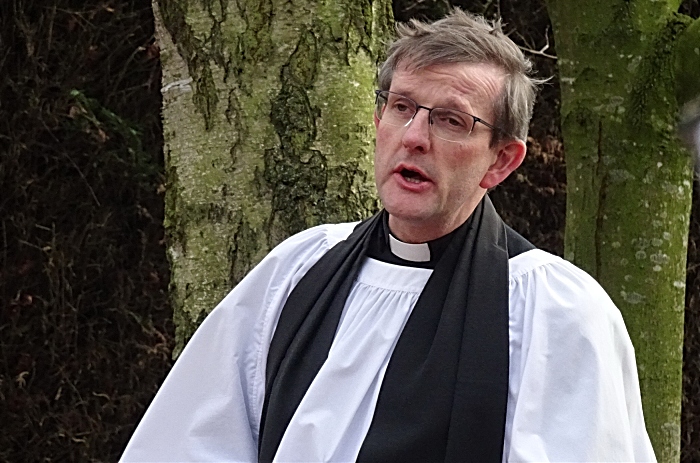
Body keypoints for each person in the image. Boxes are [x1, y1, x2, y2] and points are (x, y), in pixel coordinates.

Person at [121, 10, 656, 463]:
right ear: (378, 119)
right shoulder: (298, 270)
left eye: (451, 121)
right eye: (402, 108)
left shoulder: (553, 311)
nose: (415, 138)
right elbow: (189, 443)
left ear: (502, 160)